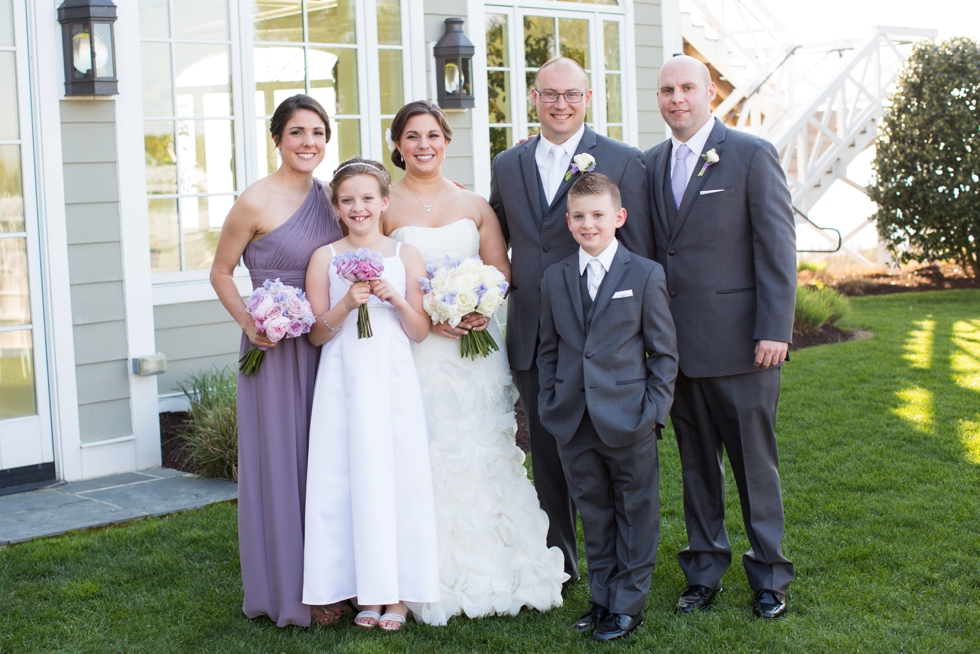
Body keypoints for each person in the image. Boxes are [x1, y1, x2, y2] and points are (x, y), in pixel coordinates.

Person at [383, 100, 567, 625]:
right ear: (397, 145)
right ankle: (424, 575)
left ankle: (504, 566)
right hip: (416, 348)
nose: (424, 145)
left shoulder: (476, 204)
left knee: (486, 450)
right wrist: (429, 313)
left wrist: (475, 307)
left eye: (433, 135)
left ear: (446, 141)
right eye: (412, 136)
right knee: (428, 453)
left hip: (474, 350)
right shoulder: (384, 205)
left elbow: (500, 272)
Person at [488, 57, 656, 583]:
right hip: (532, 332)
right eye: (550, 94)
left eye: (572, 95)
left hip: (600, 338)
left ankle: (620, 564)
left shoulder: (624, 161)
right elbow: (497, 242)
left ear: (588, 99)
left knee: (605, 454)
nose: (561, 104)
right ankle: (561, 563)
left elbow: (641, 254)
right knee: (548, 453)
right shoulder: (507, 164)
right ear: (534, 98)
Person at [642, 55, 797, 619]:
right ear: (657, 99)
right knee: (696, 467)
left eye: (686, 87)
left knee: (755, 465)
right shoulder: (652, 163)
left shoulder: (752, 155)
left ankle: (770, 577)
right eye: (666, 90)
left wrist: (774, 329)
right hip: (677, 351)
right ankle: (703, 571)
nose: (676, 98)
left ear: (710, 92)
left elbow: (777, 249)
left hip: (742, 347)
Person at [210, 94, 342, 628]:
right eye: (297, 132)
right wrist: (250, 323)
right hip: (272, 346)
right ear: (277, 139)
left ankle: (333, 580)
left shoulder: (331, 198)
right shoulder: (254, 201)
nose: (308, 142)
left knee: (324, 460)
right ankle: (289, 592)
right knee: (280, 464)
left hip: (324, 344)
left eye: (317, 133)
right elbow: (221, 271)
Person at [538, 172, 677, 642]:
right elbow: (549, 348)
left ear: (618, 217)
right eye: (579, 216)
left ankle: (628, 604)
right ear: (568, 220)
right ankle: (601, 598)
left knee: (636, 514)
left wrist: (654, 410)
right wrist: (550, 402)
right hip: (572, 419)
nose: (587, 224)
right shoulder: (555, 275)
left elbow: (663, 352)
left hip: (629, 416)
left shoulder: (644, 273)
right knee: (593, 513)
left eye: (597, 215)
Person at [302, 157, 439, 632]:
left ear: (384, 201)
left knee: (397, 477)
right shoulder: (324, 257)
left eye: (367, 198)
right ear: (337, 208)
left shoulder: (406, 256)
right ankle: (363, 588)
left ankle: (397, 596)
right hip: (343, 382)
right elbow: (317, 335)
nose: (358, 208)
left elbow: (420, 331)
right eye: (347, 201)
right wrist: (347, 302)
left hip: (392, 378)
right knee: (348, 476)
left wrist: (394, 297)